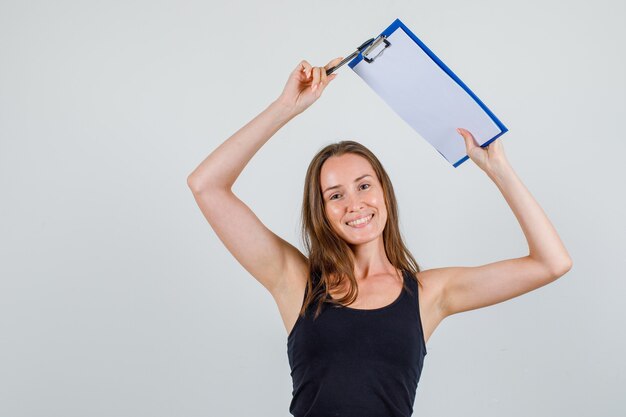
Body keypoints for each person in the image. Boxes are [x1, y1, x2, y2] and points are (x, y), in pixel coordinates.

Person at [187, 57, 573, 417]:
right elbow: (206, 185)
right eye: (335, 195)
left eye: (364, 186)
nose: (354, 204)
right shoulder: (296, 282)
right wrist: (285, 107)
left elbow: (551, 263)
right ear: (321, 211)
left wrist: (498, 168)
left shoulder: (428, 294)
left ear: (384, 193)